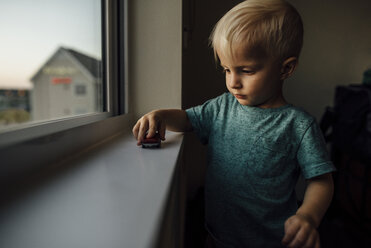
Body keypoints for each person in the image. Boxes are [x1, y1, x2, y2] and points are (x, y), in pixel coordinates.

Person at [132, 0, 335, 247]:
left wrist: (307, 216)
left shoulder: (298, 126)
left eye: (246, 71)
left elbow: (321, 181)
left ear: (286, 69)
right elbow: (187, 120)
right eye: (227, 70)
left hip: (272, 241)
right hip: (217, 236)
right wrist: (161, 115)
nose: (233, 82)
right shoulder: (222, 107)